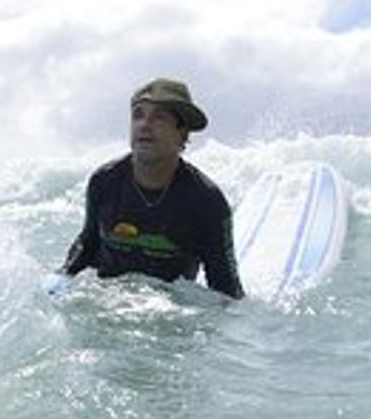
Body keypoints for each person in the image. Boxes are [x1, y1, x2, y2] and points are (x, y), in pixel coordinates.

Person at [60, 77, 243, 298]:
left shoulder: (206, 201)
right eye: (138, 115)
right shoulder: (104, 181)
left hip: (168, 314)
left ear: (182, 133)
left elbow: (225, 288)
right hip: (106, 302)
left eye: (159, 117)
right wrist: (63, 275)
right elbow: (88, 243)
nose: (144, 125)